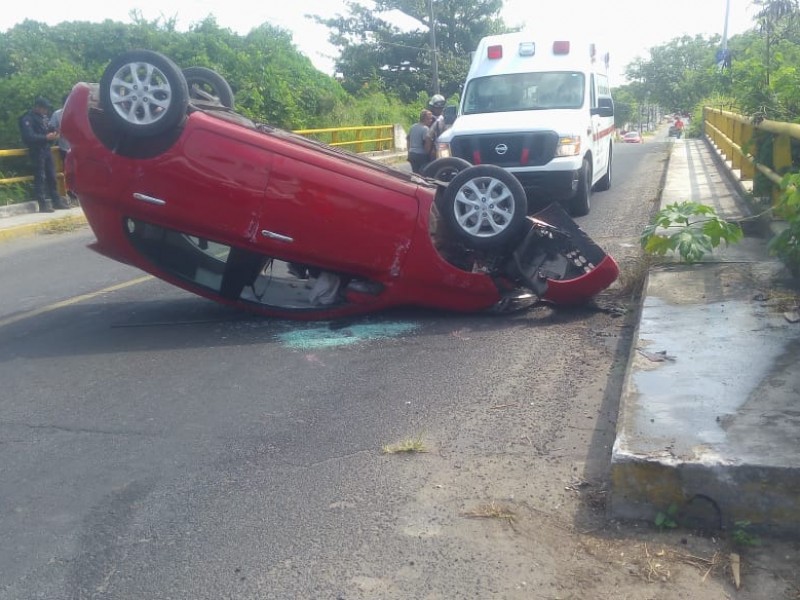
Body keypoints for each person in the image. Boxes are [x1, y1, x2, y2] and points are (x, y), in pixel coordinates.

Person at [18, 96, 70, 213]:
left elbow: (49, 128)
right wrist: (45, 137)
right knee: (40, 177)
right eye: (44, 108)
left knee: (52, 176)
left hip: (46, 149)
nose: (46, 111)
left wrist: (55, 133)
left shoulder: (43, 118)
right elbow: (29, 137)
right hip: (36, 151)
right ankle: (42, 204)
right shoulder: (28, 118)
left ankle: (56, 201)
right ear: (37, 107)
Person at [407, 109, 433, 174]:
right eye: (429, 119)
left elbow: (408, 140)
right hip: (421, 155)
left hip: (412, 154)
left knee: (415, 173)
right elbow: (427, 143)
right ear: (425, 119)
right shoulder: (425, 129)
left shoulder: (413, 127)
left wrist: (409, 151)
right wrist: (428, 154)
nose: (431, 120)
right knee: (424, 174)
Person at [424, 94, 447, 161]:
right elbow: (428, 136)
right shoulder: (430, 119)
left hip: (443, 146)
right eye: (437, 108)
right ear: (432, 107)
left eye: (441, 108)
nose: (439, 110)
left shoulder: (443, 118)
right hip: (433, 149)